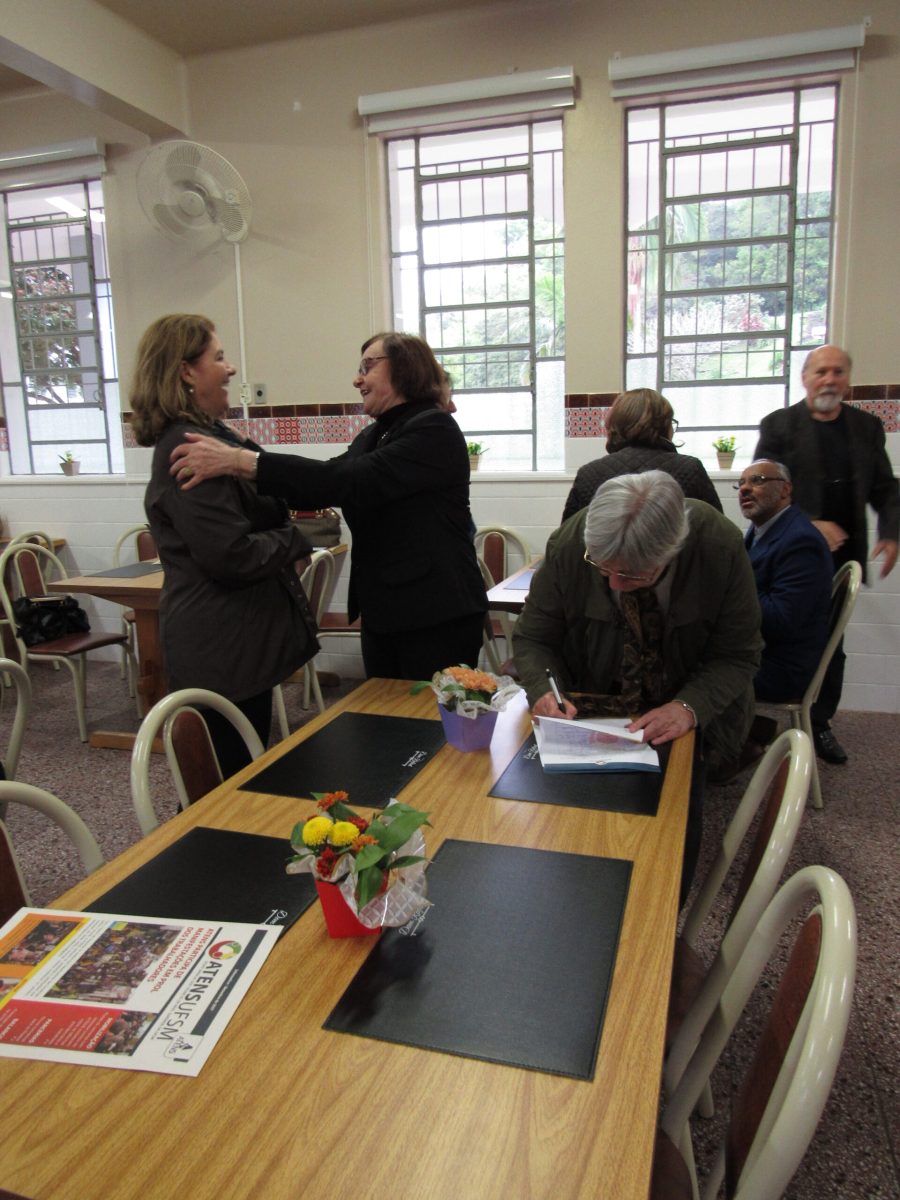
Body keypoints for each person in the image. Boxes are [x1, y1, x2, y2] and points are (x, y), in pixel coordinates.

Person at [168, 332, 487, 680]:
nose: (357, 379)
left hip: (436, 613)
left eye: (367, 367)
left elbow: (347, 480)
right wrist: (245, 450)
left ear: (404, 368)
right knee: (388, 710)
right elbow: (317, 486)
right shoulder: (375, 434)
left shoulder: (433, 429)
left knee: (432, 713)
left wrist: (240, 460)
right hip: (387, 610)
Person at [513, 470, 762, 902]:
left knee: (672, 836)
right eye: (602, 567)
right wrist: (543, 689)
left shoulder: (718, 547)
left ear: (673, 551)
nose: (614, 584)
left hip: (682, 709)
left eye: (632, 575)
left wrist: (688, 707)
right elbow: (534, 638)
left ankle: (658, 915)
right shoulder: (571, 543)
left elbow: (738, 654)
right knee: (566, 827)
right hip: (595, 707)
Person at [129, 314, 319, 777]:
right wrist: (298, 537)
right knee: (223, 786)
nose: (231, 368)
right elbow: (230, 555)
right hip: (219, 646)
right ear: (186, 372)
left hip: (235, 638)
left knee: (241, 771)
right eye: (218, 357)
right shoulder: (189, 448)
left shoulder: (214, 438)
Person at [755, 344, 899, 764]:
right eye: (821, 372)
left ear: (848, 380)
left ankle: (818, 722)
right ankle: (760, 717)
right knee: (776, 632)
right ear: (805, 377)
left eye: (838, 372)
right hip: (787, 554)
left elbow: (886, 488)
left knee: (832, 644)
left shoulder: (867, 427)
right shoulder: (779, 425)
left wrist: (891, 532)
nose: (829, 380)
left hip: (840, 555)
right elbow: (761, 488)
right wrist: (809, 522)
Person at [738, 460, 833, 702]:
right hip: (761, 652)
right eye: (741, 483)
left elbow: (781, 620)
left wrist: (732, 587)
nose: (744, 488)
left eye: (757, 480)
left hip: (779, 669)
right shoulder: (761, 530)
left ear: (785, 489)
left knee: (686, 667)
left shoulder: (801, 541)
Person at [561, 387, 722, 521]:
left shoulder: (589, 474)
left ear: (613, 425)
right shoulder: (690, 469)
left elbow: (567, 539)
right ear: (665, 426)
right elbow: (716, 530)